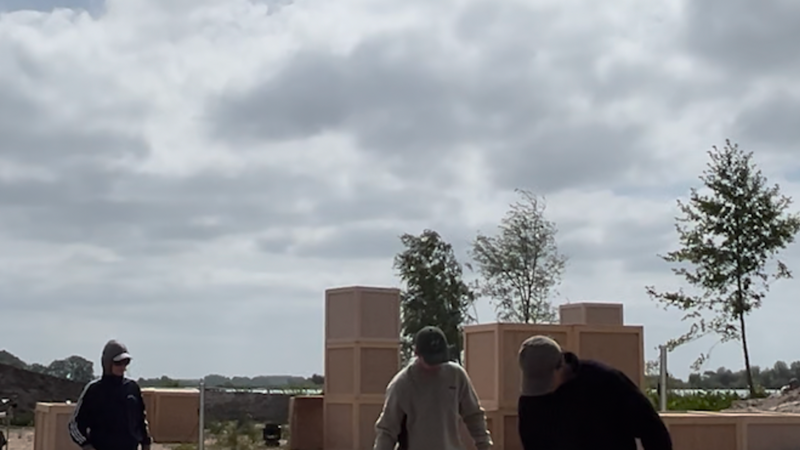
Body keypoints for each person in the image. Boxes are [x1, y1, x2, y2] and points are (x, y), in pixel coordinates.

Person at [517, 335, 672, 450]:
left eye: (544, 381)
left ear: (561, 365)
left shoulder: (604, 382)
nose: (541, 389)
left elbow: (651, 429)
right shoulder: (532, 399)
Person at [374, 326, 492, 450]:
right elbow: (387, 431)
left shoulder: (456, 376)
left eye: (439, 358)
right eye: (430, 359)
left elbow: (474, 415)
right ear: (417, 353)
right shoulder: (402, 385)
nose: (435, 365)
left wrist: (484, 444)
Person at [68, 340, 152, 450]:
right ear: (107, 363)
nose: (122, 366)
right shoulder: (94, 390)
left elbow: (141, 421)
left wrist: (146, 443)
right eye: (118, 362)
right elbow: (75, 425)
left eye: (125, 362)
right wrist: (86, 445)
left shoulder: (132, 388)